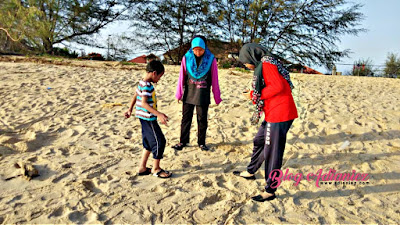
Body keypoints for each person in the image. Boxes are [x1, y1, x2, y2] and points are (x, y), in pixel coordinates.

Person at [233, 43, 298, 201]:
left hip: (280, 113)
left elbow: (279, 87)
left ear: (251, 56)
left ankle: (270, 190)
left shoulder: (267, 64)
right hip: (274, 112)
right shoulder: (265, 63)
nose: (246, 65)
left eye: (245, 61)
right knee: (259, 140)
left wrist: (254, 95)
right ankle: (251, 171)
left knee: (273, 152)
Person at [172, 35, 222, 151]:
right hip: (189, 93)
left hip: (203, 94)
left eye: (200, 50)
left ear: (205, 48)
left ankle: (201, 142)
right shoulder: (186, 58)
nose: (198, 52)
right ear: (192, 48)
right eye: (195, 49)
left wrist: (217, 96)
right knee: (186, 118)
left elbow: (215, 79)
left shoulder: (211, 59)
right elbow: (181, 77)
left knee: (202, 119)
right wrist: (179, 94)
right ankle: (182, 141)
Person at [125, 60, 172, 178]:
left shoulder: (141, 82)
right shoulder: (147, 85)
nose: (159, 80)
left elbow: (136, 95)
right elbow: (144, 103)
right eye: (159, 77)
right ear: (154, 73)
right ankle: (156, 169)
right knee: (159, 142)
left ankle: (142, 167)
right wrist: (159, 114)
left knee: (147, 143)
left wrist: (130, 109)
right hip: (148, 119)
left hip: (142, 118)